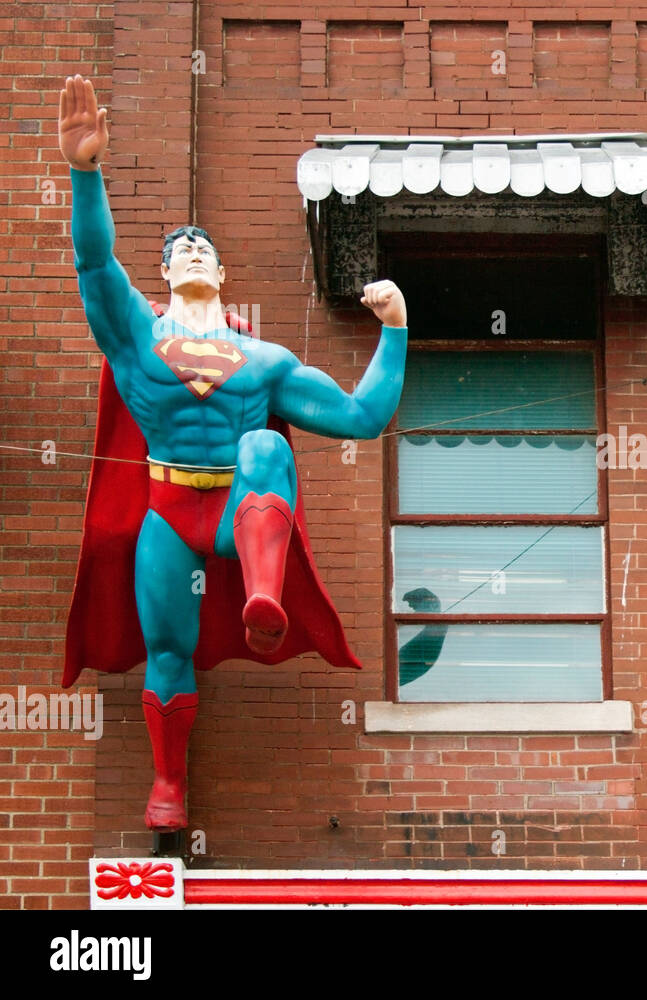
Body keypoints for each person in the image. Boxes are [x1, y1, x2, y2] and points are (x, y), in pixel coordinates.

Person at [57, 74, 409, 831]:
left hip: (239, 508)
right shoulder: (134, 336)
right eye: (179, 249)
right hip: (166, 509)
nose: (190, 252)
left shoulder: (267, 361)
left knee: (262, 442)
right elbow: (93, 265)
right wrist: (86, 174)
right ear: (165, 275)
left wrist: (396, 330)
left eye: (202, 248)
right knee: (167, 649)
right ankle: (167, 786)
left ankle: (263, 599)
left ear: (220, 275)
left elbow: (360, 415)